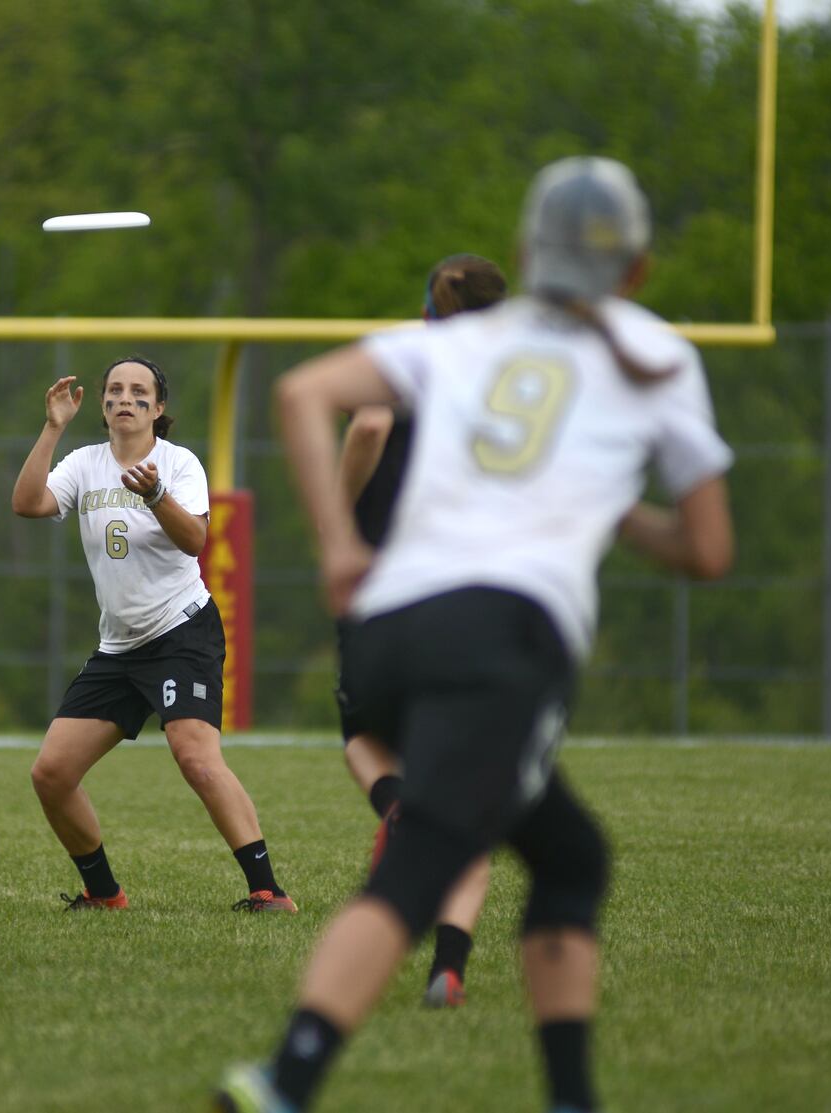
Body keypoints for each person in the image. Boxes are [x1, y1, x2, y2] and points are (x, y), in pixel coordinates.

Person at [217, 156, 735, 1113]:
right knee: (429, 855)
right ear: (638, 269)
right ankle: (283, 1079)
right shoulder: (654, 354)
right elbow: (707, 550)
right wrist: (618, 509)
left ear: (527, 252)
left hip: (386, 635)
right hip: (499, 637)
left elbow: (302, 394)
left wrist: (337, 545)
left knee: (569, 853)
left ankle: (571, 1095)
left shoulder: (458, 343)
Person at [11, 355, 295, 912]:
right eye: (114, 390)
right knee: (51, 773)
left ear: (158, 408)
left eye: (139, 392)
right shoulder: (84, 463)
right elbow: (27, 503)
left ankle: (268, 890)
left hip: (180, 630)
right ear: (102, 404)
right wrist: (52, 427)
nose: (125, 399)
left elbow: (195, 541)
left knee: (195, 756)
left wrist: (156, 494)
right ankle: (104, 893)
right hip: (119, 646)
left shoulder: (179, 463)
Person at [338, 253, 508, 1008]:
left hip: (390, 587)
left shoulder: (411, 355)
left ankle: (395, 806)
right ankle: (449, 966)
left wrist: (339, 514)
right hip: (477, 594)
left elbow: (371, 421)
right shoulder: (520, 377)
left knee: (364, 736)